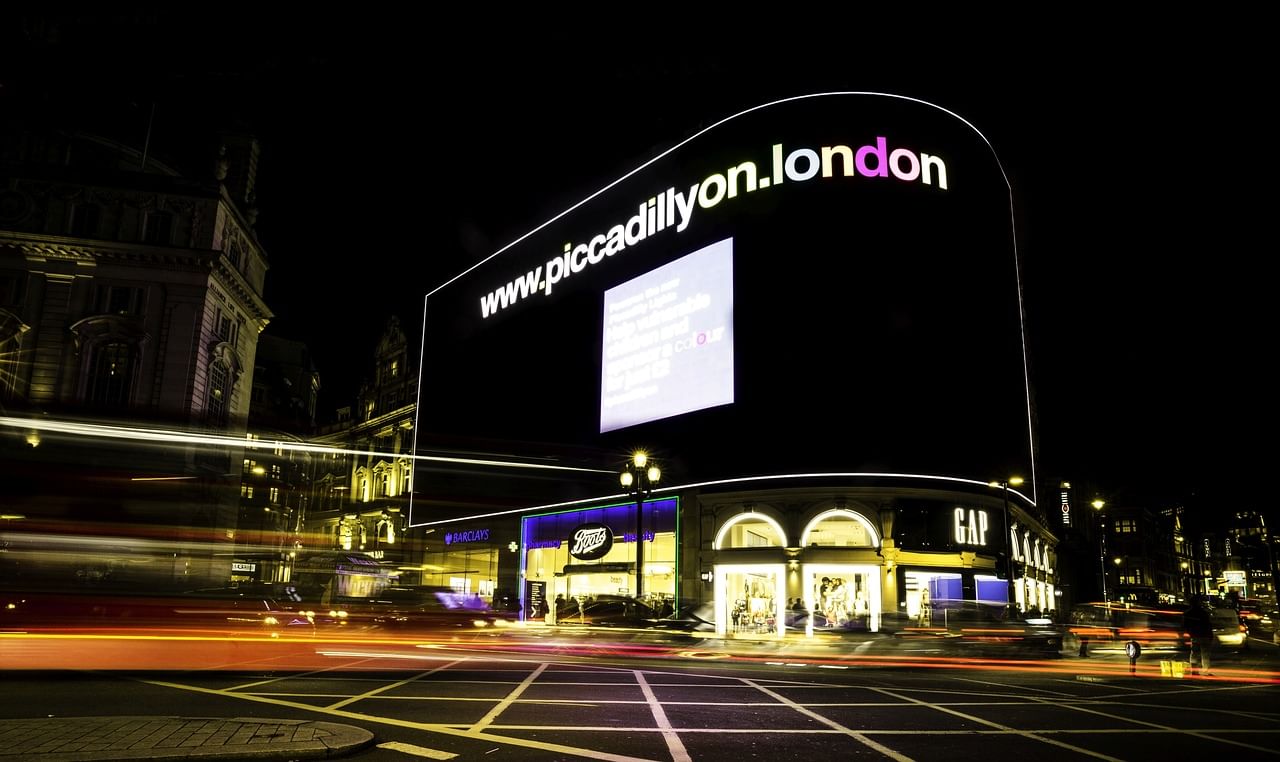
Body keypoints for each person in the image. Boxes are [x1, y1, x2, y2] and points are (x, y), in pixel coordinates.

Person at [1184, 595, 1214, 676]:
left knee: (1194, 653)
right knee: (1205, 654)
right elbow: (1208, 624)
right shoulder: (1203, 612)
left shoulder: (1188, 613)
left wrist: (1190, 633)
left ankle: (1194, 671)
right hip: (1204, 635)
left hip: (1194, 635)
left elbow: (1185, 626)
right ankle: (1206, 670)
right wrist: (1210, 635)